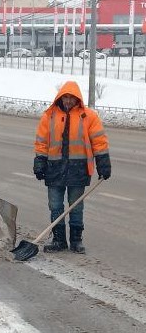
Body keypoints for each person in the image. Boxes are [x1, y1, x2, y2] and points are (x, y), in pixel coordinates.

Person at [33, 81, 111, 253]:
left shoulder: (89, 116)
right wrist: (39, 161)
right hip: (54, 168)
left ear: (77, 99)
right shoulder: (49, 116)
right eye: (65, 97)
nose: (68, 101)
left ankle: (76, 240)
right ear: (60, 97)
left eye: (71, 98)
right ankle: (59, 240)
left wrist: (103, 163)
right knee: (55, 206)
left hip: (78, 168)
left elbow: (99, 142)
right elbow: (41, 142)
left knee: (76, 205)